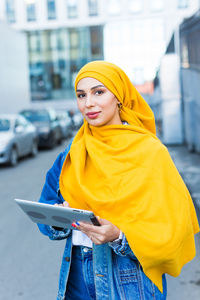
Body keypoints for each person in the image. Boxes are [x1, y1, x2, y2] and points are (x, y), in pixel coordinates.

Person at [38, 61, 199, 300]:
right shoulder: (71, 154)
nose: (88, 103)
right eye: (81, 95)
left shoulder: (149, 152)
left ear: (119, 97)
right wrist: (58, 218)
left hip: (130, 278)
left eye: (99, 92)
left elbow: (171, 229)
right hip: (77, 276)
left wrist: (119, 236)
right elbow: (47, 206)